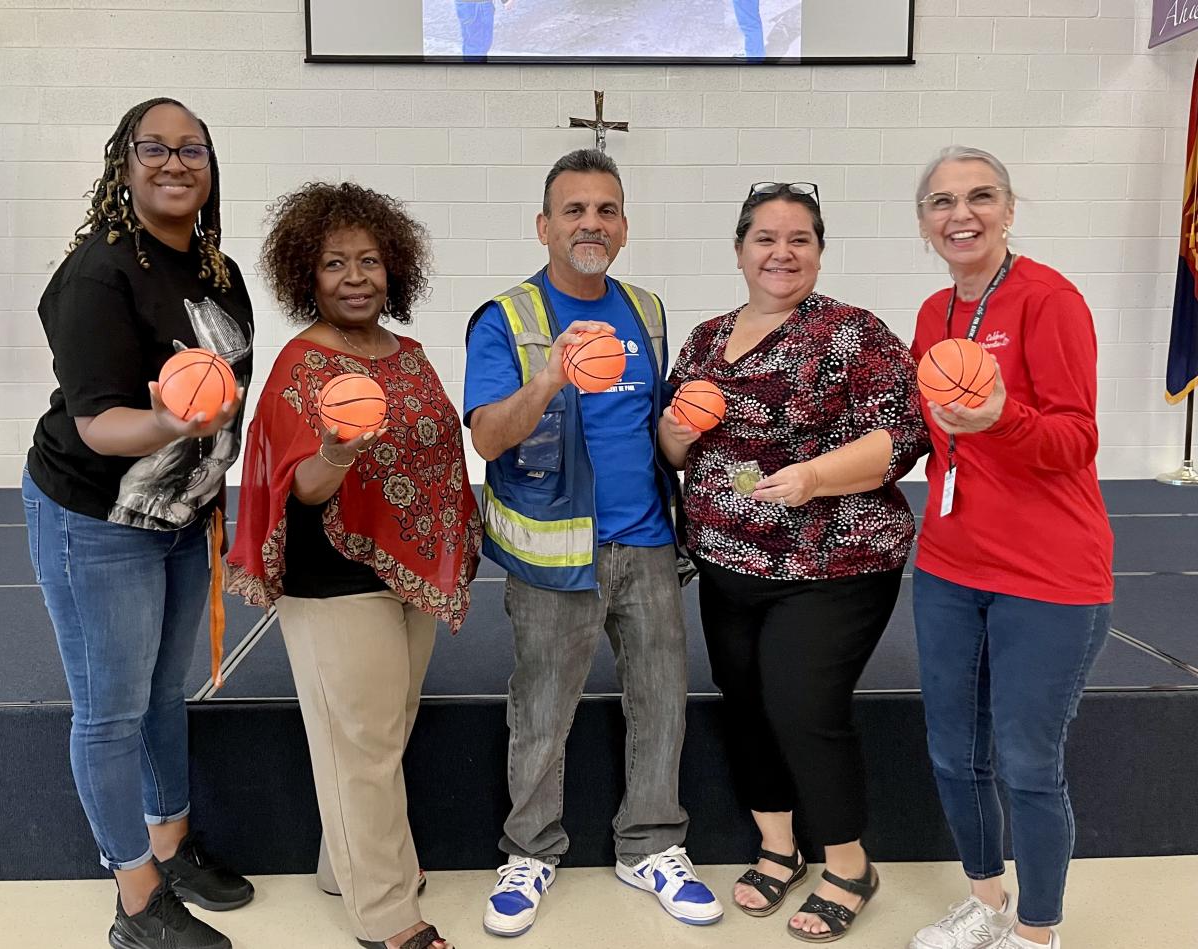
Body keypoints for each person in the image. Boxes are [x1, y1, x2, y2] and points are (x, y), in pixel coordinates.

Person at [660, 181, 929, 943]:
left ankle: (848, 863)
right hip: (724, 562)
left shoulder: (853, 332)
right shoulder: (708, 338)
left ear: (818, 249)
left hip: (834, 563)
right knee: (743, 702)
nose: (782, 252)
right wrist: (678, 429)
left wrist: (812, 477)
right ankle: (778, 847)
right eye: (766, 238)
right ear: (740, 249)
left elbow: (902, 436)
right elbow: (674, 445)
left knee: (802, 706)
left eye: (799, 239)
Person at [464, 148, 722, 937]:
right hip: (553, 558)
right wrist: (549, 379)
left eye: (606, 210)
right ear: (543, 226)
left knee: (661, 705)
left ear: (624, 228)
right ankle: (530, 851)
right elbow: (486, 436)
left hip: (646, 544)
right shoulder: (507, 318)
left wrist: (685, 433)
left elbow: (655, 433)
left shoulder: (645, 309)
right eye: (574, 210)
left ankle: (649, 845)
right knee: (540, 711)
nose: (591, 223)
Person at [22, 97, 254, 949]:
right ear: (123, 164)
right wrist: (167, 426)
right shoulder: (97, 274)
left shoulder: (213, 270)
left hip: (180, 519)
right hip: (95, 517)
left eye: (192, 147)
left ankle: (170, 842)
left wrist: (211, 490)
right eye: (153, 147)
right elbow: (97, 426)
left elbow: (225, 415)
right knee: (111, 710)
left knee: (163, 692)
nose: (174, 161)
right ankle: (135, 898)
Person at [227, 181, 481, 949]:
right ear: (307, 274)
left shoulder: (410, 355)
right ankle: (384, 912)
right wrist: (337, 451)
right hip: (329, 574)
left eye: (369, 261)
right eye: (336, 263)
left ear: (393, 270)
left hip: (406, 573)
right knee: (363, 744)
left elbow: (441, 453)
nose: (355, 277)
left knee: (380, 732)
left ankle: (348, 864)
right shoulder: (299, 367)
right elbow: (297, 484)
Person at [906, 147, 1113, 949]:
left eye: (980, 196)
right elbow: (933, 441)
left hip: (1048, 575)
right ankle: (988, 900)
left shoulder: (1049, 299)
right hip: (951, 565)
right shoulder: (934, 314)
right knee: (954, 753)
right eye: (942, 202)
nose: (962, 214)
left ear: (1009, 208)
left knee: (1028, 762)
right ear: (923, 223)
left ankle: (1036, 930)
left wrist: (1004, 418)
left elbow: (1077, 438)